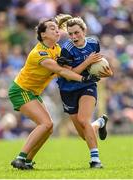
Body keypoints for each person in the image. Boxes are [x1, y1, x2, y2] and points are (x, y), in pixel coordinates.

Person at [8, 18, 98, 170]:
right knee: (46, 124)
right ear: (43, 35)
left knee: (48, 128)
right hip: (21, 91)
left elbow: (67, 66)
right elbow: (62, 71)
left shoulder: (56, 49)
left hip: (33, 92)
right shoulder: (39, 53)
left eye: (57, 28)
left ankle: (27, 161)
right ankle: (20, 157)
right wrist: (84, 78)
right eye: (51, 28)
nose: (56, 30)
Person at [55, 14, 113, 168]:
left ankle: (96, 161)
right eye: (71, 34)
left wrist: (107, 72)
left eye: (77, 33)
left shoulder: (94, 43)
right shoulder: (66, 50)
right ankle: (100, 123)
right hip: (68, 89)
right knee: (84, 134)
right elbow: (70, 75)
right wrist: (87, 61)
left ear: (84, 31)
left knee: (83, 120)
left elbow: (98, 66)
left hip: (87, 85)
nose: (74, 36)